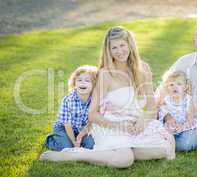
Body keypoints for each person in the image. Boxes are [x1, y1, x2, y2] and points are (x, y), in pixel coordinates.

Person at [40, 26, 175, 168]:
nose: (119, 51)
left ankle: (123, 150)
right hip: (111, 125)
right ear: (108, 50)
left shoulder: (144, 69)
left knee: (164, 149)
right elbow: (92, 114)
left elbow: (152, 107)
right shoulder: (105, 74)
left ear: (130, 45)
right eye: (114, 48)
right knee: (124, 160)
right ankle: (76, 153)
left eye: (122, 45)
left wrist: (143, 119)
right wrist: (118, 125)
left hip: (135, 126)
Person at [44, 65, 98, 151]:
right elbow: (67, 125)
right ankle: (51, 140)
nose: (82, 83)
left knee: (91, 146)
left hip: (83, 129)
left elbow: (91, 122)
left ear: (94, 85)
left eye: (87, 81)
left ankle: (76, 141)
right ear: (74, 83)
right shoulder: (68, 100)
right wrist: (74, 142)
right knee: (67, 148)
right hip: (64, 128)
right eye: (79, 80)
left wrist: (80, 137)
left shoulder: (94, 101)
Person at [157, 70, 197, 151]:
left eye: (179, 84)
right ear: (167, 87)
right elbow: (163, 111)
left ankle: (173, 143)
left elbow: (190, 119)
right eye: (171, 84)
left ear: (185, 87)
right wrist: (168, 118)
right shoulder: (166, 99)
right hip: (170, 128)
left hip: (184, 127)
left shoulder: (188, 99)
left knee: (186, 140)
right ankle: (167, 141)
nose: (174, 87)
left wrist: (182, 127)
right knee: (158, 132)